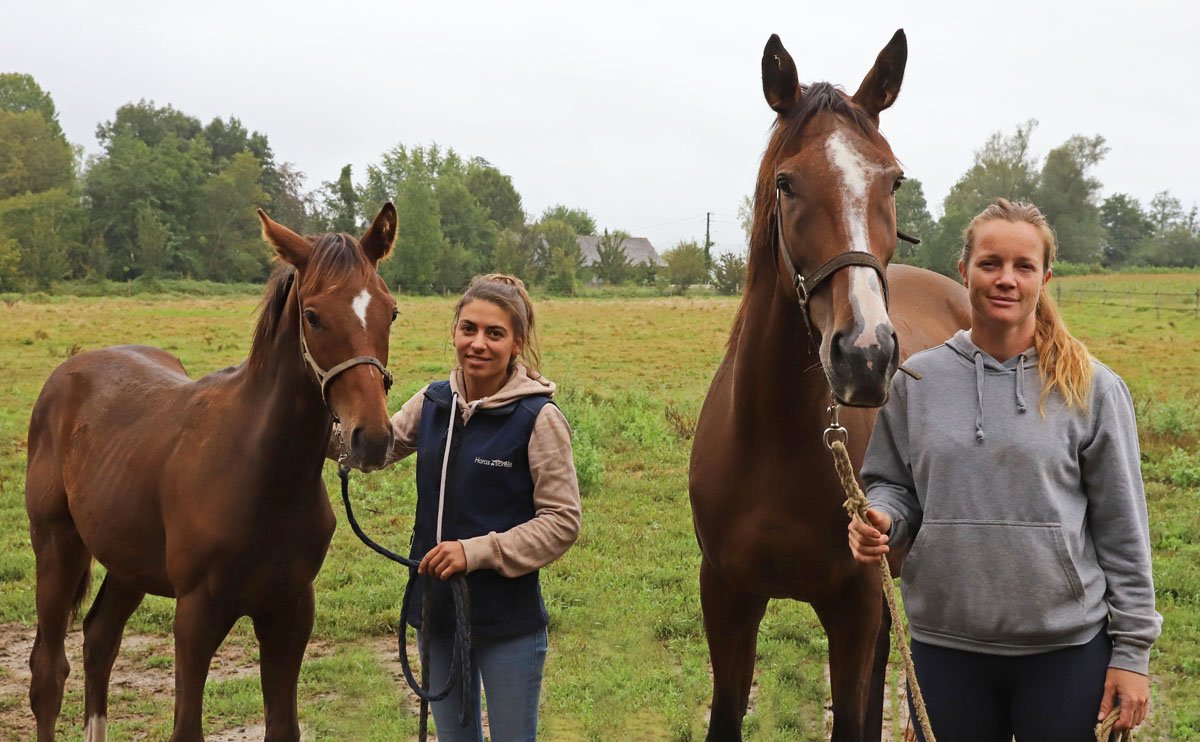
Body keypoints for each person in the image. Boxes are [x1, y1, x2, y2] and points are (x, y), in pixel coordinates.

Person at [847, 199, 1161, 741]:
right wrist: (881, 517)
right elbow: (893, 485)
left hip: (1064, 651)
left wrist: (1132, 654)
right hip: (945, 648)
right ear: (964, 271)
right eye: (990, 263)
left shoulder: (1091, 388)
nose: (1006, 279)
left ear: (1045, 278)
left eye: (1024, 266)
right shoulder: (916, 381)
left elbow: (1122, 529)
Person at [383, 274, 581, 741]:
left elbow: (562, 521)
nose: (478, 344)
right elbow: (372, 448)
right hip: (437, 616)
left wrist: (475, 552)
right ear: (454, 331)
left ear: (517, 344)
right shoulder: (432, 402)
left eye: (495, 333)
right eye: (468, 329)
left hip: (508, 624)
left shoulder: (538, 417)